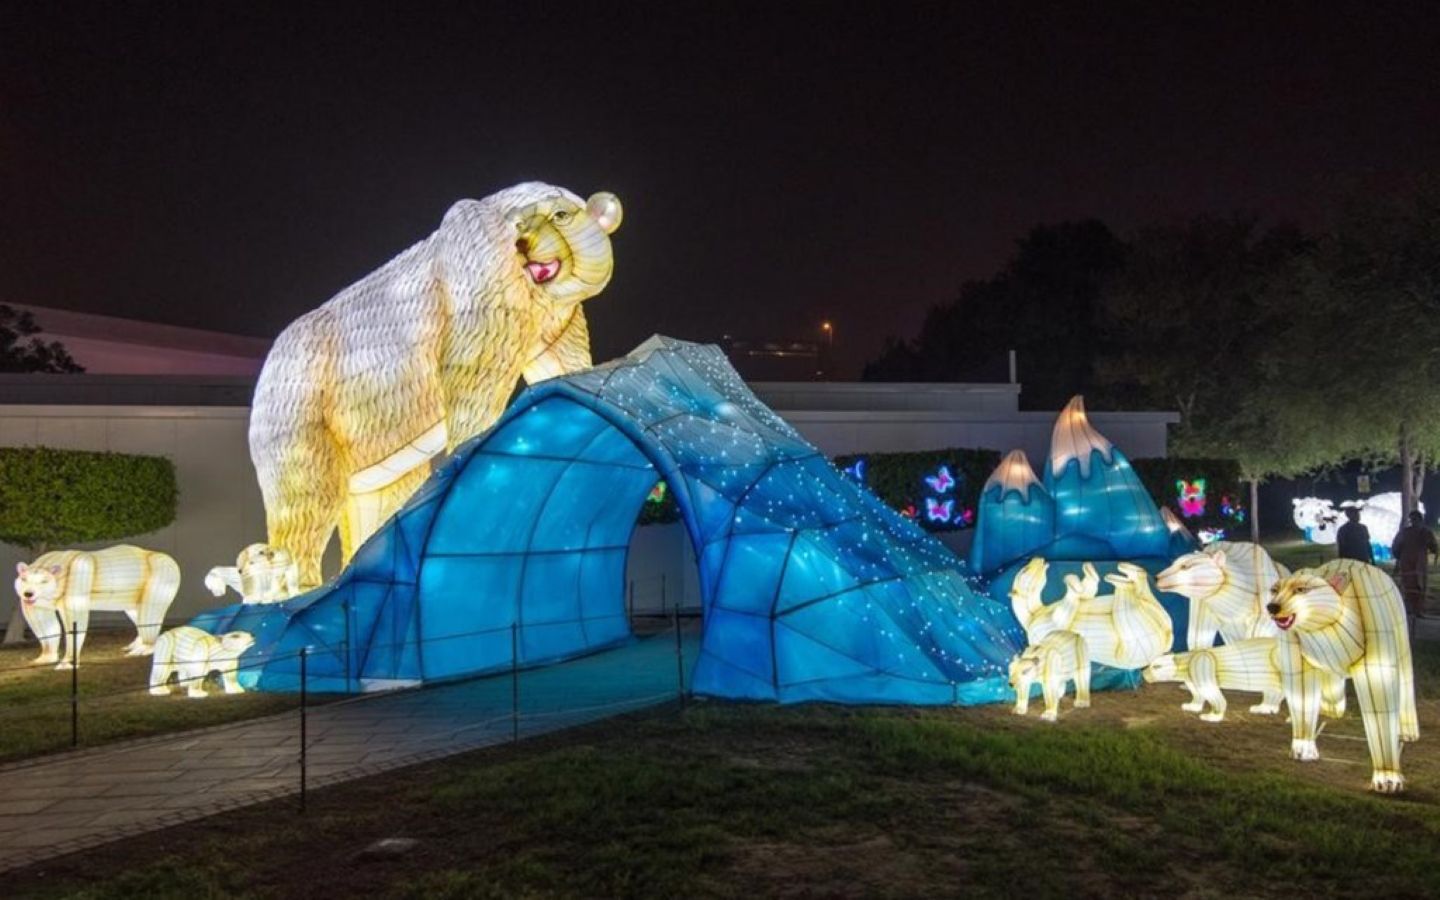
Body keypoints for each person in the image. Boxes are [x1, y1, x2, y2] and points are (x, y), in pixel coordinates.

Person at [1391, 510, 1437, 620]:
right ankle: (1409, 610)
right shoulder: (1405, 532)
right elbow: (1396, 547)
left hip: (1420, 565)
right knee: (1408, 587)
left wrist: (1431, 545)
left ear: (1420, 520)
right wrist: (1398, 561)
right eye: (1412, 520)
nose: (1414, 522)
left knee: (1420, 587)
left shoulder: (1426, 533)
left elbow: (1434, 547)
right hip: (1407, 564)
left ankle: (1418, 610)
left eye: (1416, 519)